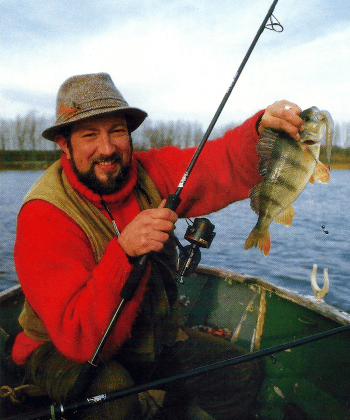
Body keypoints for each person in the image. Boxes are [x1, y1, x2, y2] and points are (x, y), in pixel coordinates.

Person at [12, 72, 303, 419]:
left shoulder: (148, 172)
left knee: (239, 373)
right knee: (115, 399)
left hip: (144, 333)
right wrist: (124, 253)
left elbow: (216, 164)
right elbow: (82, 340)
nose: (107, 148)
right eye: (90, 134)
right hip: (60, 349)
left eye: (117, 131)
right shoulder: (44, 215)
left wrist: (261, 132)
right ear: (65, 143)